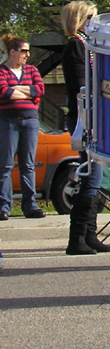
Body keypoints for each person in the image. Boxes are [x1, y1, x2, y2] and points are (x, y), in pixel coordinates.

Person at [61, 0, 110, 254]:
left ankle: (90, 234)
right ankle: (77, 237)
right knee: (91, 175)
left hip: (96, 114)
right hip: (85, 116)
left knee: (97, 175)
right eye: (92, 16)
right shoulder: (76, 45)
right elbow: (80, 84)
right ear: (81, 19)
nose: (96, 20)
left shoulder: (90, 46)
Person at [0, 35, 46, 219]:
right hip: (8, 122)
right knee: (5, 165)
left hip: (30, 122)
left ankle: (30, 206)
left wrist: (18, 89)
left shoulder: (32, 70)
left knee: (28, 165)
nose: (27, 54)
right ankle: (4, 206)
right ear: (12, 52)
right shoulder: (2, 72)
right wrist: (28, 92)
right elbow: (4, 92)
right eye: (24, 51)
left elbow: (39, 89)